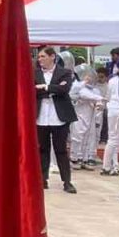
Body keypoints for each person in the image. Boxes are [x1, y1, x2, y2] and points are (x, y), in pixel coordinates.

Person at [34, 46, 77, 193]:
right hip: (41, 116)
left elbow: (64, 90)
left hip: (59, 116)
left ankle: (67, 181)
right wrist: (53, 89)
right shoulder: (35, 73)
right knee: (42, 149)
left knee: (61, 150)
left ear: (52, 56)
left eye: (43, 56)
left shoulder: (64, 72)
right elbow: (31, 90)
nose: (40, 59)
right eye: (39, 57)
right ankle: (42, 179)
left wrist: (45, 87)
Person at [69, 68, 105, 169]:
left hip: (91, 116)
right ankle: (74, 158)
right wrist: (99, 99)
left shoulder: (95, 90)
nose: (89, 78)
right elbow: (84, 95)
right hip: (79, 115)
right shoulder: (78, 87)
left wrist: (99, 104)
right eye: (86, 76)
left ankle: (85, 158)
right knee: (77, 137)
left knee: (89, 138)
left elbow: (97, 101)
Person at [103, 66, 119, 178]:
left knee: (112, 138)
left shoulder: (112, 80)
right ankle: (112, 166)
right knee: (116, 139)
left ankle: (109, 166)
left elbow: (107, 96)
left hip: (112, 109)